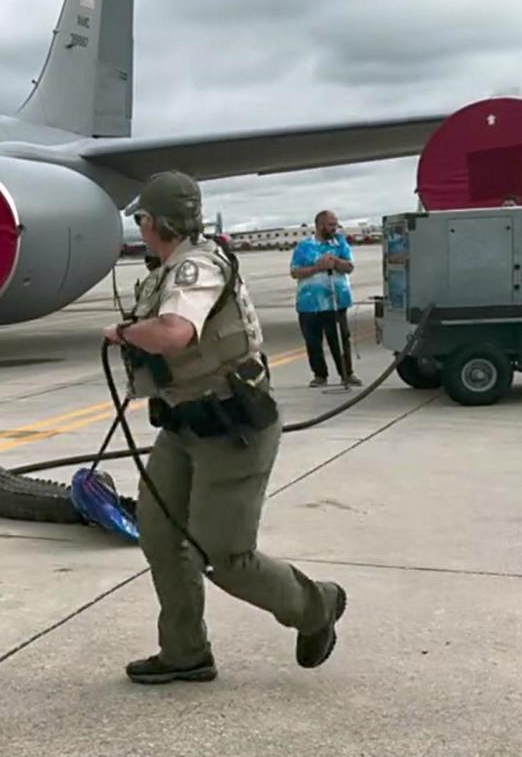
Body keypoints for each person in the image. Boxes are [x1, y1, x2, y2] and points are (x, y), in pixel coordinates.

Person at [103, 171, 346, 684]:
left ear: (155, 221)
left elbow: (173, 333)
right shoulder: (166, 269)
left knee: (226, 555)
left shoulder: (197, 268)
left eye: (142, 219)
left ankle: (315, 606)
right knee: (160, 532)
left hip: (232, 426)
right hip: (184, 424)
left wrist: (121, 332)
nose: (140, 228)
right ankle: (185, 651)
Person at [290, 211, 360, 387]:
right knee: (313, 341)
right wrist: (317, 267)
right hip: (309, 303)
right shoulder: (304, 247)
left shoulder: (340, 244)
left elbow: (349, 267)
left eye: (336, 224)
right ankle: (320, 375)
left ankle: (346, 373)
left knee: (340, 339)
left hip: (335, 301)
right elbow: (295, 272)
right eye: (331, 225)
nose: (334, 228)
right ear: (320, 225)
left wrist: (335, 261)